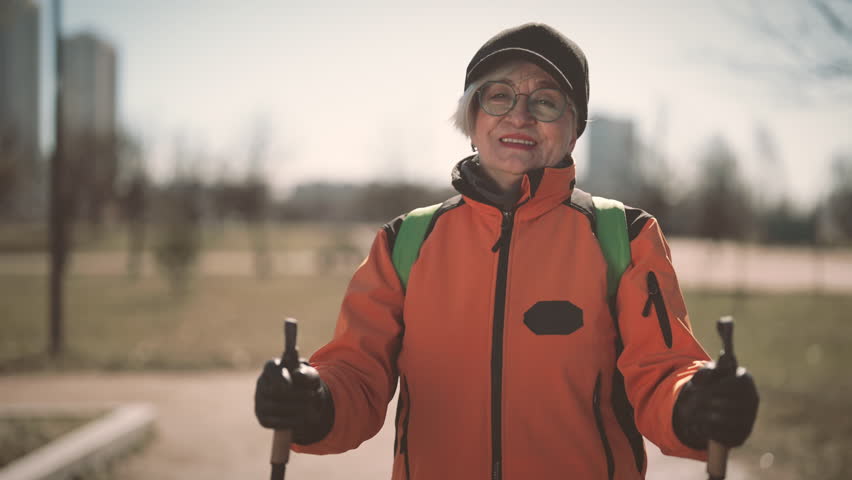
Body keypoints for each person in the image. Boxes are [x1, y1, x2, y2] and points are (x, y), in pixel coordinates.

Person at [255, 23, 759, 479]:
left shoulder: (623, 236)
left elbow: (663, 373)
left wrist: (693, 403)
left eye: (545, 100)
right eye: (498, 96)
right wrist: (314, 399)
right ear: (471, 118)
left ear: (573, 126)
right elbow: (357, 378)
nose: (519, 114)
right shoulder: (405, 240)